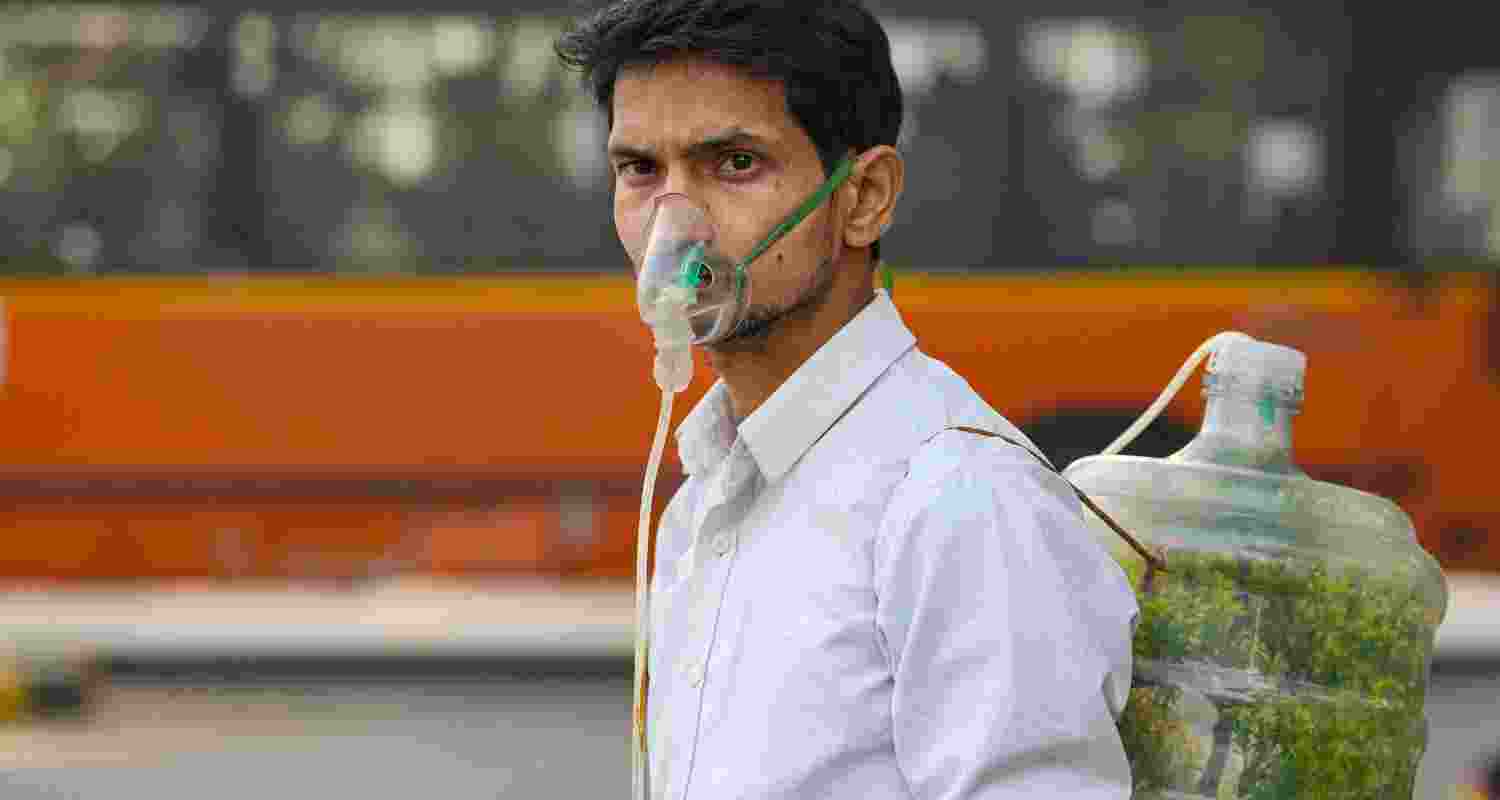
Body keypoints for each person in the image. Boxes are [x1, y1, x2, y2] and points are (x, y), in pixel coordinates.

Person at [556, 2, 1139, 797]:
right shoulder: (702, 502)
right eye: (640, 171)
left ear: (864, 198)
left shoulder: (958, 500)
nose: (675, 225)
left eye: (734, 165)